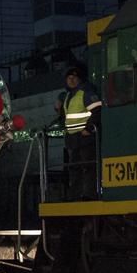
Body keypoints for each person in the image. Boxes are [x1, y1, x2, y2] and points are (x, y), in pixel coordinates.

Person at [54, 64, 102, 199]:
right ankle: (74, 195)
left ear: (79, 79)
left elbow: (97, 110)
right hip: (72, 139)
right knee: (74, 168)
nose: (71, 80)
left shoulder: (85, 92)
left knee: (87, 167)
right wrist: (59, 110)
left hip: (85, 138)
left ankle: (89, 194)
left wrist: (89, 127)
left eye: (74, 77)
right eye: (69, 78)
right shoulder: (69, 96)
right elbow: (66, 117)